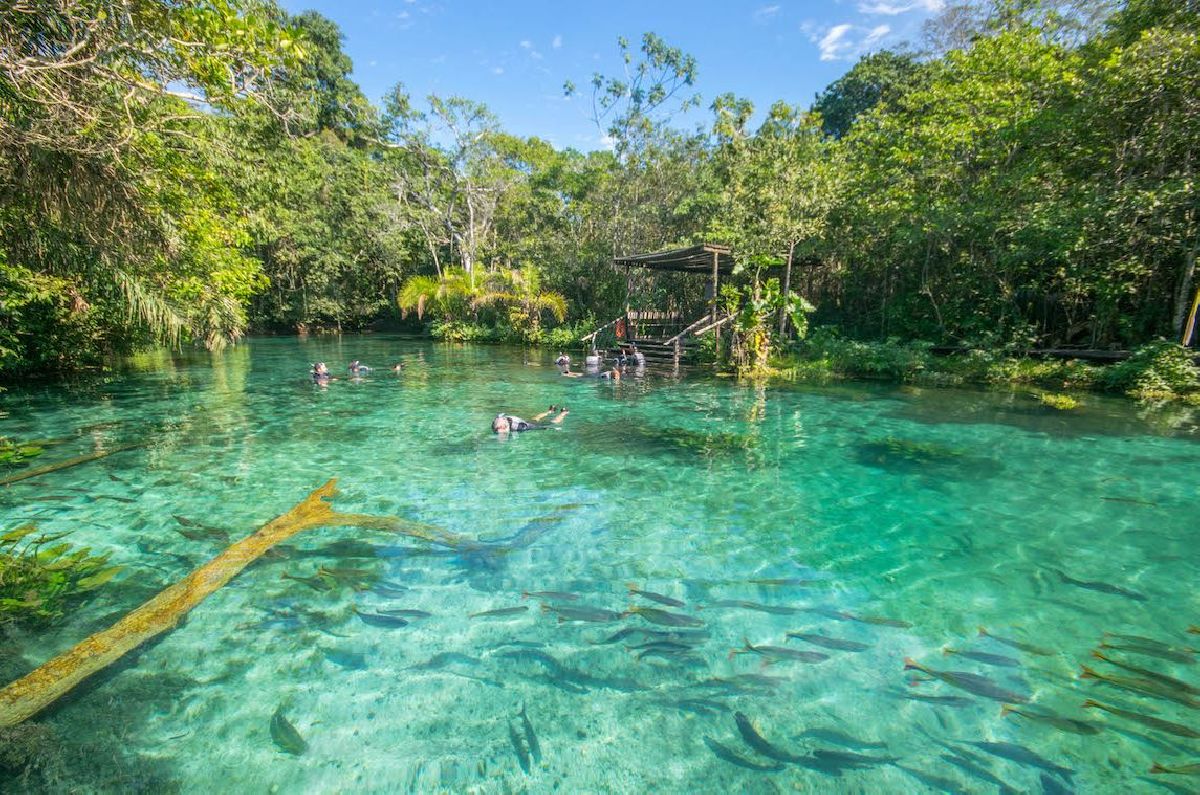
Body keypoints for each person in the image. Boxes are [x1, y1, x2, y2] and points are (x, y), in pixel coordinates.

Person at [492, 406, 569, 433]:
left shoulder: (520, 427)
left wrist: (552, 428)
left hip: (528, 424)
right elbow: (499, 416)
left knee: (554, 422)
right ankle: (550, 411)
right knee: (536, 418)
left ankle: (563, 412)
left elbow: (537, 428)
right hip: (523, 421)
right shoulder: (496, 423)